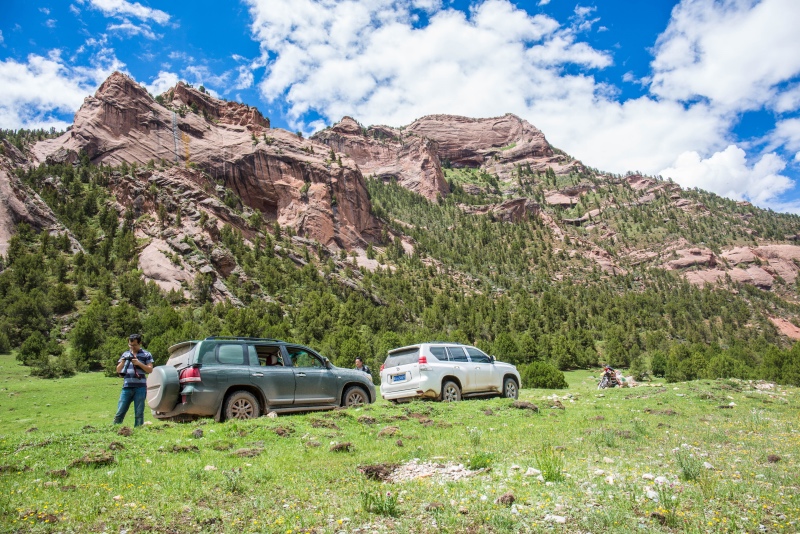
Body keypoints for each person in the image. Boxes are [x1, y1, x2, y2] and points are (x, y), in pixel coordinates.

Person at [113, 334, 154, 427]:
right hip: (127, 386)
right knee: (120, 410)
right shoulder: (125, 354)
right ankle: (115, 428)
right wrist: (123, 361)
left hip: (140, 387)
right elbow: (118, 370)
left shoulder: (146, 354)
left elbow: (150, 370)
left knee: (139, 411)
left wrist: (138, 363)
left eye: (135, 345)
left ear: (140, 343)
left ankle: (138, 429)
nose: (132, 347)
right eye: (130, 345)